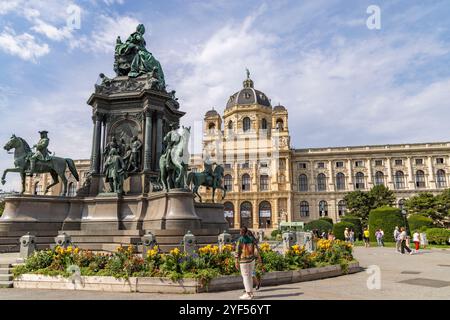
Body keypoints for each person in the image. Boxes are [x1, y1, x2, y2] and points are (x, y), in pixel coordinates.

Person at [235, 227, 262, 300]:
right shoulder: (251, 239)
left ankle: (248, 293)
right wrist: (259, 258)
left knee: (245, 277)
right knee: (250, 276)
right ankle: (251, 293)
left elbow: (237, 251)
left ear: (242, 232)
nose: (240, 233)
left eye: (240, 232)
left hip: (244, 261)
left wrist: (236, 261)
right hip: (252, 260)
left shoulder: (240, 239)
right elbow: (256, 248)